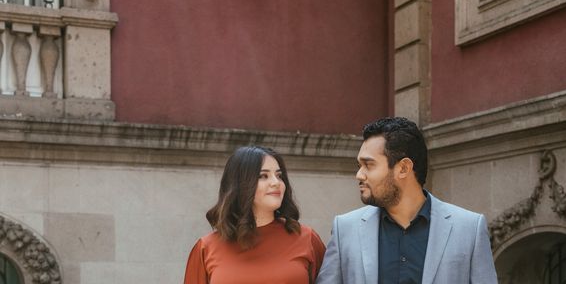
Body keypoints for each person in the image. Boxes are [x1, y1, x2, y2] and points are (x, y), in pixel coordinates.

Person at [316, 117, 498, 284]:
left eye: (368, 165)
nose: (359, 175)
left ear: (403, 168)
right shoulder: (345, 229)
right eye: (359, 166)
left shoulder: (469, 229)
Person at [184, 146, 326, 284]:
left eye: (279, 175)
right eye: (263, 176)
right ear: (240, 184)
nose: (276, 183)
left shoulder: (307, 239)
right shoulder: (205, 248)